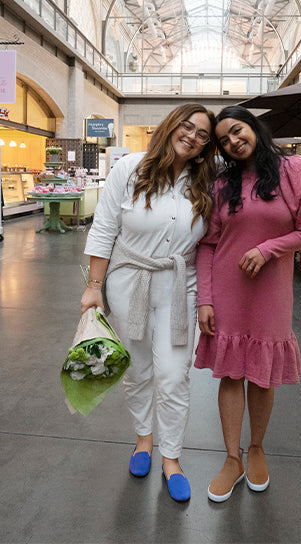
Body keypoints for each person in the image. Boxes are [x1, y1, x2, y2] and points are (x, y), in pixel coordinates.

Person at [81, 103, 218, 501]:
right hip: (129, 282)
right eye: (187, 127)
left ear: (205, 147)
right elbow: (105, 226)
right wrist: (94, 285)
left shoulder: (204, 180)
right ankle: (144, 440)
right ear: (171, 125)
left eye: (202, 136)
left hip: (180, 284)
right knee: (138, 368)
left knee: (175, 375)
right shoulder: (131, 168)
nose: (192, 136)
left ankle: (171, 457)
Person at [196, 105, 301, 502]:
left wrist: (269, 248)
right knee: (231, 374)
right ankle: (231, 457)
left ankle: (256, 448)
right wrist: (205, 299)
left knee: (262, 374)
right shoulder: (223, 185)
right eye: (223, 141)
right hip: (226, 289)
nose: (233, 142)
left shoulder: (293, 171)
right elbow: (208, 244)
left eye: (237, 131)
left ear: (253, 127)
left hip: (271, 291)